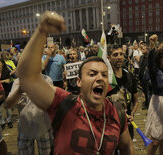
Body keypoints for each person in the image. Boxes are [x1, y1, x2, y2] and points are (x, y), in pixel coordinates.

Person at [17, 11, 134, 154]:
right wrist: (41, 31)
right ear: (79, 81)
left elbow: (127, 146)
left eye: (104, 74)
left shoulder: (116, 112)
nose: (100, 78)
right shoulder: (63, 103)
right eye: (92, 74)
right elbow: (27, 75)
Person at [5, 74, 53, 155]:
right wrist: (19, 91)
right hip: (25, 125)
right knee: (24, 151)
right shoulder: (18, 81)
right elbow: (8, 105)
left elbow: (51, 103)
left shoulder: (47, 80)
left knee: (47, 152)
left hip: (44, 124)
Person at [107, 44, 139, 140]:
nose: (119, 57)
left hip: (127, 125)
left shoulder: (130, 76)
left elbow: (136, 100)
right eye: (115, 55)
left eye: (121, 54)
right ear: (109, 58)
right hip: (110, 124)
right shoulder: (105, 78)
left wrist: (132, 114)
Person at [0, 58, 13, 129]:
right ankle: (2, 122)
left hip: (6, 91)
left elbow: (8, 80)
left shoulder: (6, 71)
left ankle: (9, 121)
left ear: (2, 64)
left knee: (8, 108)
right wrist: (2, 81)